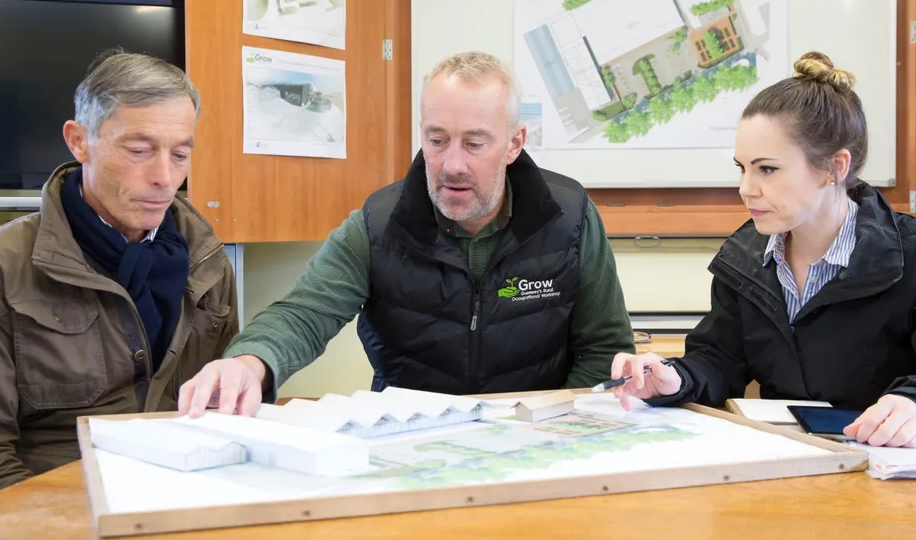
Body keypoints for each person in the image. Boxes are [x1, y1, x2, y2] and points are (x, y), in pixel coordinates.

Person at [178, 51, 634, 417]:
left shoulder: (569, 216)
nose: (451, 165)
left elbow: (605, 348)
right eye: (436, 140)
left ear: (514, 142)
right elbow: (305, 313)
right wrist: (248, 362)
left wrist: (552, 425)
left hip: (538, 437)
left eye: (474, 143)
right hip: (412, 440)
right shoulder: (379, 224)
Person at [608, 51, 916, 448]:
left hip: (888, 472)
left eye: (767, 169)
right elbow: (720, 360)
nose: (745, 188)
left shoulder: (910, 254)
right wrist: (674, 378)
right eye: (743, 167)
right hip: (789, 465)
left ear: (834, 168)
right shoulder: (747, 257)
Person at [0, 50, 239, 509]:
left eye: (180, 154)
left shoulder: (205, 257)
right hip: (56, 509)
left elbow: (229, 417)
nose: (165, 179)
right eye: (139, 150)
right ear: (79, 141)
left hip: (184, 505)